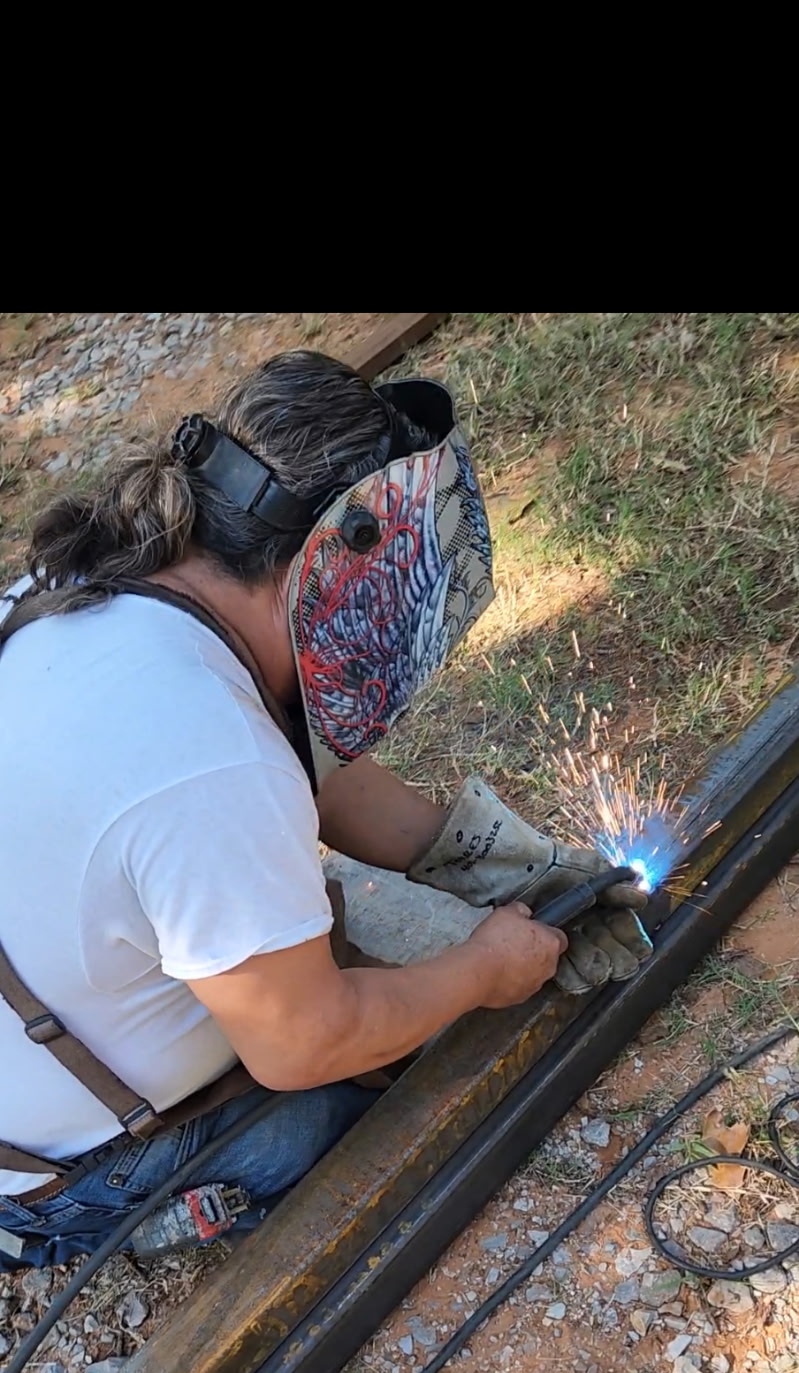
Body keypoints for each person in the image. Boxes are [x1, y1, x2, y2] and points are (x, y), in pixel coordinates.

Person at [0, 350, 650, 1271]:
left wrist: (508, 864)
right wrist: (477, 971)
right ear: (341, 563)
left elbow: (296, 761)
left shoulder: (86, 600)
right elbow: (305, 1041)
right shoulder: (207, 754)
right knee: (357, 1098)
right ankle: (108, 1221)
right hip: (55, 1174)